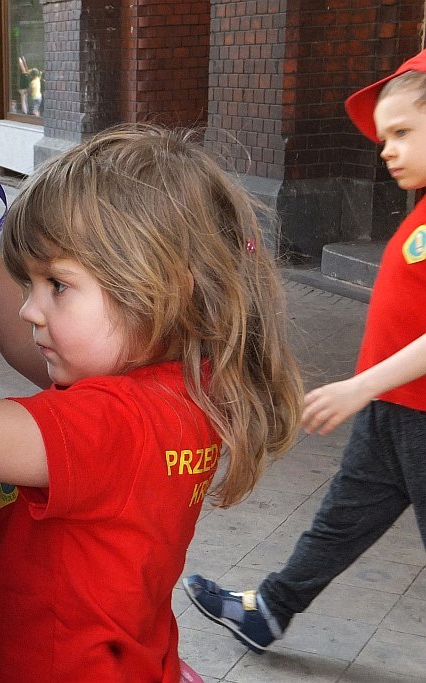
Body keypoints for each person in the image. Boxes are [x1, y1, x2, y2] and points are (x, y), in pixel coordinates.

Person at [0, 123, 304, 681]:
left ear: (164, 289)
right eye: (32, 284)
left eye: (58, 286)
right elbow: (36, 351)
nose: (31, 310)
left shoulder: (121, 421)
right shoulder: (177, 385)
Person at [183, 48, 426, 654]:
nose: (386, 148)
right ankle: (270, 609)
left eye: (402, 132)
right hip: (393, 415)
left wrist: (359, 385)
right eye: (384, 135)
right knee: (340, 523)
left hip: (413, 416)